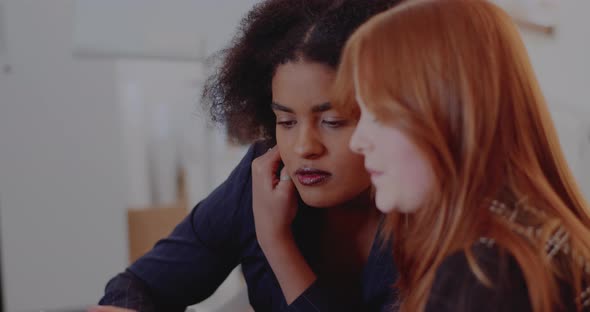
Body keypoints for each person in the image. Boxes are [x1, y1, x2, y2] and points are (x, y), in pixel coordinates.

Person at [93, 1, 399, 311]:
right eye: (286, 121)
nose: (304, 147)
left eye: (332, 121)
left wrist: (276, 242)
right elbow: (138, 285)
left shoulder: (431, 212)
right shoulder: (264, 174)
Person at [332, 0, 590, 311]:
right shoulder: (533, 242)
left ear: (450, 115)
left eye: (379, 115)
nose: (357, 142)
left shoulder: (484, 274)